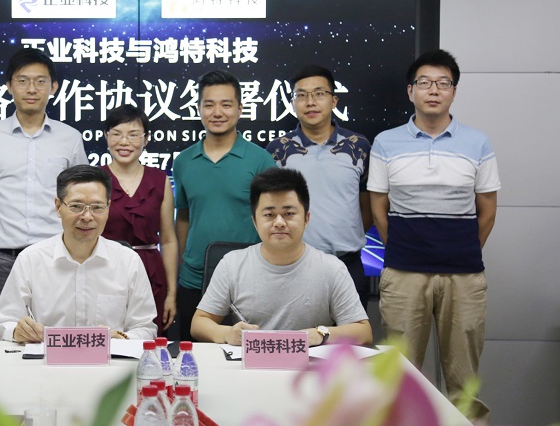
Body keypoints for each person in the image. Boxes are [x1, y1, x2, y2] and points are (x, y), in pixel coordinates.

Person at [367, 49, 500, 418]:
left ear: (454, 92)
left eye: (443, 83)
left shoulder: (477, 143)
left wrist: (460, 249)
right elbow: (378, 205)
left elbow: (488, 209)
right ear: (411, 91)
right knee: (401, 378)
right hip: (404, 273)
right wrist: (403, 247)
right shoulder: (386, 142)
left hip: (464, 276)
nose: (434, 90)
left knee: (464, 381)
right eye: (424, 83)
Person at [0, 47, 88, 339]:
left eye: (40, 81)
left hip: (57, 258)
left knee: (60, 344)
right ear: (9, 86)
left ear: (53, 87)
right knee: (2, 345)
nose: (31, 89)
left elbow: (82, 202)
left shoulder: (70, 138)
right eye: (22, 81)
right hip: (2, 261)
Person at [191, 167, 371, 346]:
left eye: (289, 214)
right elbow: (199, 323)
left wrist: (320, 334)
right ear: (255, 221)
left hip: (308, 363)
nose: (279, 222)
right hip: (250, 363)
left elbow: (363, 332)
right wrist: (228, 333)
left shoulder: (331, 268)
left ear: (306, 218)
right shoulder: (232, 264)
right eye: (269, 215)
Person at [0, 165, 157, 342]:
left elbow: (145, 328)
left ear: (108, 207)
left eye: (97, 207)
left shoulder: (128, 261)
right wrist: (17, 331)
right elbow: (4, 324)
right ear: (58, 207)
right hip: (46, 358)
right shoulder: (31, 259)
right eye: (76, 206)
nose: (87, 217)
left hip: (110, 358)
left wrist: (121, 339)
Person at [172, 70, 277, 341]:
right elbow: (183, 216)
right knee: (192, 355)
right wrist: (183, 264)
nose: (217, 112)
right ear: (199, 109)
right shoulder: (183, 161)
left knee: (247, 355)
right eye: (209, 105)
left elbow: (273, 219)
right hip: (194, 279)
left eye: (226, 104)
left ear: (240, 109)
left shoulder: (260, 160)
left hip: (248, 279)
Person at [265, 65, 373, 308]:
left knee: (351, 332)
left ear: (334, 100)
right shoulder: (277, 150)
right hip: (293, 265)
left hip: (348, 265)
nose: (310, 102)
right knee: (296, 332)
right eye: (301, 95)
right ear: (293, 103)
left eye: (319, 94)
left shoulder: (358, 146)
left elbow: (368, 207)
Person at [101, 104, 178, 334]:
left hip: (150, 272)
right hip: (104, 270)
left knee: (149, 341)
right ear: (106, 137)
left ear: (146, 139)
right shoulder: (95, 179)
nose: (124, 142)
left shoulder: (160, 180)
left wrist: (172, 293)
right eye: (116, 134)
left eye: (133, 135)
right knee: (105, 339)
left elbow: (168, 241)